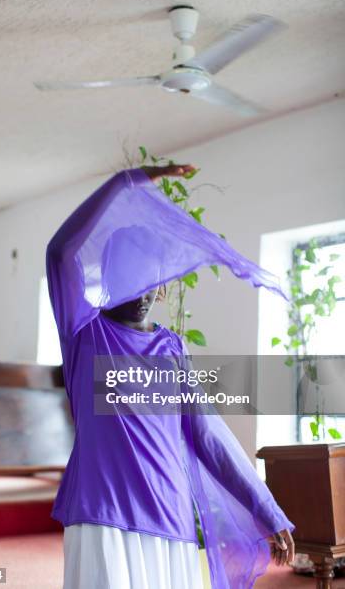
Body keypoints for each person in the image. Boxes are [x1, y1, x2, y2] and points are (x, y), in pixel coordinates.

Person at [46, 164, 295, 589]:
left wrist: (266, 508)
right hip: (102, 513)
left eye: (151, 280)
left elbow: (208, 435)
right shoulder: (85, 335)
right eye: (131, 278)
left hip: (170, 514)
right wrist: (127, 181)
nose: (143, 293)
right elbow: (60, 252)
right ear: (110, 276)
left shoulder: (172, 349)